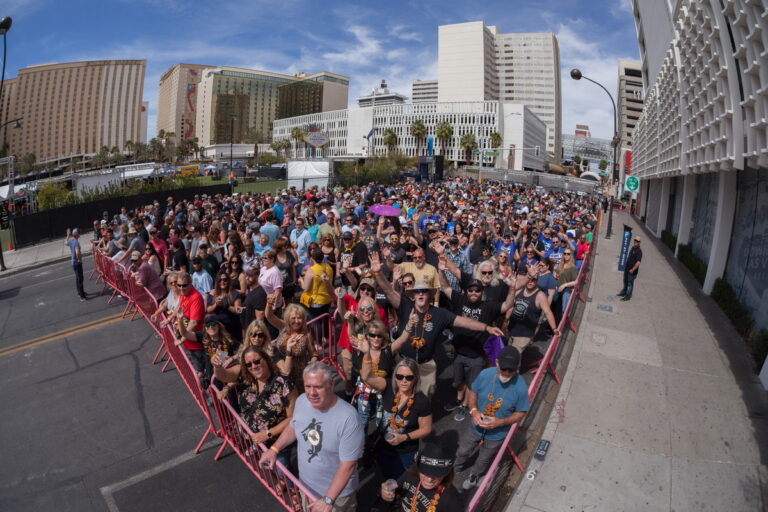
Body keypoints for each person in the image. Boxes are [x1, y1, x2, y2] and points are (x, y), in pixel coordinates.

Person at [259, 362, 364, 512]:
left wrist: (328, 499)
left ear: (331, 384)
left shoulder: (348, 418)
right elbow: (294, 426)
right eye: (308, 386)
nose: (312, 393)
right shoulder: (302, 400)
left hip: (336, 496)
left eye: (318, 387)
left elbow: (348, 466)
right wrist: (274, 449)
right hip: (306, 487)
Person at [455, 346, 529, 490]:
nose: (507, 373)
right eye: (503, 369)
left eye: (511, 370)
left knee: (483, 459)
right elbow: (473, 392)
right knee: (463, 450)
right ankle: (456, 466)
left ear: (517, 367)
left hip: (497, 433)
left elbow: (521, 412)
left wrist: (501, 422)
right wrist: (474, 411)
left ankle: (474, 475)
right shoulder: (485, 374)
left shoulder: (521, 386)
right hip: (476, 425)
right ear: (496, 363)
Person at [214, 346, 297, 469]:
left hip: (276, 444)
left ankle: (288, 486)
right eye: (249, 364)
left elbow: (293, 418)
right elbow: (224, 375)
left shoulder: (283, 383)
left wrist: (267, 434)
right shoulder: (247, 379)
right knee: (270, 467)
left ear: (267, 359)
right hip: (256, 441)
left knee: (282, 470)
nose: (254, 366)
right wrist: (217, 366)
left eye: (257, 361)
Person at [376, 358, 432, 481]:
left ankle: (396, 497)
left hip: (405, 451)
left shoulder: (422, 401)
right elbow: (366, 377)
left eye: (409, 377)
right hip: (384, 446)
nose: (404, 381)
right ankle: (385, 491)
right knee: (384, 472)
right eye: (400, 376)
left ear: (416, 378)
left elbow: (426, 429)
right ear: (395, 377)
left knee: (401, 478)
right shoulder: (388, 388)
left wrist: (403, 438)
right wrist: (367, 354)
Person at [378, 438, 462, 512]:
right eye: (425, 472)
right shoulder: (410, 474)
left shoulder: (451, 499)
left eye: (436, 474)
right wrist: (385, 492)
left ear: (446, 473)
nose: (429, 479)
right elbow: (394, 491)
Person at [507, 272, 559, 355]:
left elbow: (548, 312)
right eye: (529, 279)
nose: (530, 282)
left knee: (513, 356)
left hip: (524, 334)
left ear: (537, 281)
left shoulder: (540, 296)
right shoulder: (520, 289)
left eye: (533, 280)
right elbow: (510, 304)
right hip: (511, 329)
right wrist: (506, 320)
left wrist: (554, 329)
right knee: (508, 354)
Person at [65, 228, 87, 301]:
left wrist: (68, 235)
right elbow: (77, 252)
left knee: (77, 278)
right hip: (77, 263)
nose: (80, 234)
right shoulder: (76, 242)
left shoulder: (71, 241)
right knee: (80, 279)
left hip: (73, 263)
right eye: (79, 233)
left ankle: (79, 292)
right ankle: (82, 296)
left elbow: (65, 242)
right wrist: (79, 260)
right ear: (76, 234)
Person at [618, 235, 642, 301]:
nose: (635, 242)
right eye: (635, 240)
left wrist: (632, 269)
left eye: (637, 241)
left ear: (639, 242)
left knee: (629, 284)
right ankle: (624, 292)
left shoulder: (639, 251)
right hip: (627, 269)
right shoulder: (633, 248)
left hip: (632, 271)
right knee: (625, 281)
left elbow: (638, 263)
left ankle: (628, 296)